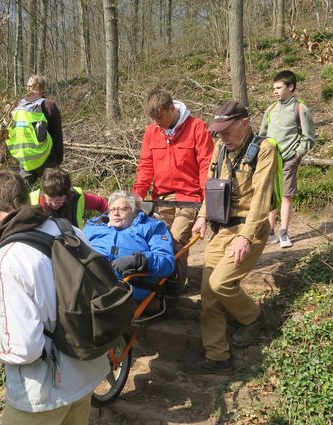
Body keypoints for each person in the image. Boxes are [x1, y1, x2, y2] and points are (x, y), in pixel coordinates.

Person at [0, 171, 108, 425]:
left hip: (45, 385)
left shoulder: (7, 259)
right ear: (27, 197)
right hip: (86, 365)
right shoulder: (68, 229)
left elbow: (24, 347)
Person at [188, 101, 279, 374]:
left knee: (221, 282)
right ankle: (217, 356)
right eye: (219, 131)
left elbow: (262, 199)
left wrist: (246, 238)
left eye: (227, 130)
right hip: (221, 227)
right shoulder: (220, 147)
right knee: (208, 296)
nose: (222, 136)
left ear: (245, 122)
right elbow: (211, 183)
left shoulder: (265, 149)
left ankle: (253, 317)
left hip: (249, 228)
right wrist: (203, 216)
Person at [132, 87, 214, 246]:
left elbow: (207, 165)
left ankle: (179, 271)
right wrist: (137, 194)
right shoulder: (151, 131)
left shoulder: (197, 128)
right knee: (158, 242)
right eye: (153, 119)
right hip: (162, 198)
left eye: (160, 117)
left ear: (172, 109)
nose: (157, 123)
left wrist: (207, 201)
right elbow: (146, 166)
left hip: (190, 197)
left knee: (175, 240)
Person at [84, 191, 175, 302]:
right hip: (92, 282)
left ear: (134, 212)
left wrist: (138, 260)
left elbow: (167, 263)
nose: (116, 213)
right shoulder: (94, 227)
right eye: (112, 209)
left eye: (123, 209)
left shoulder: (151, 227)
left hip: (128, 288)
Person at [259, 70, 316, 248]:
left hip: (288, 159)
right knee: (271, 197)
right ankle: (270, 232)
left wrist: (297, 154)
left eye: (279, 88)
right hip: (269, 160)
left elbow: (309, 137)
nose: (275, 91)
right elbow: (262, 135)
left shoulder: (300, 108)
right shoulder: (270, 109)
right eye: (273, 88)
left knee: (285, 195)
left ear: (290, 87)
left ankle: (284, 233)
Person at [7, 74, 64, 186]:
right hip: (45, 159)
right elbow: (57, 135)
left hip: (24, 160)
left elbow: (5, 134)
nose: (29, 89)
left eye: (32, 87)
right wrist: (58, 160)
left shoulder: (16, 106)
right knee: (57, 191)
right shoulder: (49, 106)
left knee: (20, 194)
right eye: (29, 87)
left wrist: (0, 161)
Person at [29, 168, 108, 229]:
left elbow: (101, 204)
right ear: (44, 191)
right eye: (51, 198)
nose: (54, 203)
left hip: (74, 244)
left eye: (60, 198)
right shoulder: (30, 202)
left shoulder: (76, 196)